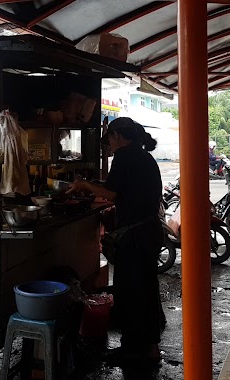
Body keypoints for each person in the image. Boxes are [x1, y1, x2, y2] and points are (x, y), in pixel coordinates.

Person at [67, 117, 164, 366]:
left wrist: (83, 184)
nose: (109, 144)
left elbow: (111, 193)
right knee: (147, 290)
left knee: (129, 292)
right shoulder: (144, 156)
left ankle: (131, 349)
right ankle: (151, 348)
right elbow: (118, 187)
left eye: (109, 138)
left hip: (134, 238)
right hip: (149, 232)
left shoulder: (124, 155)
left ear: (118, 135)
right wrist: (91, 186)